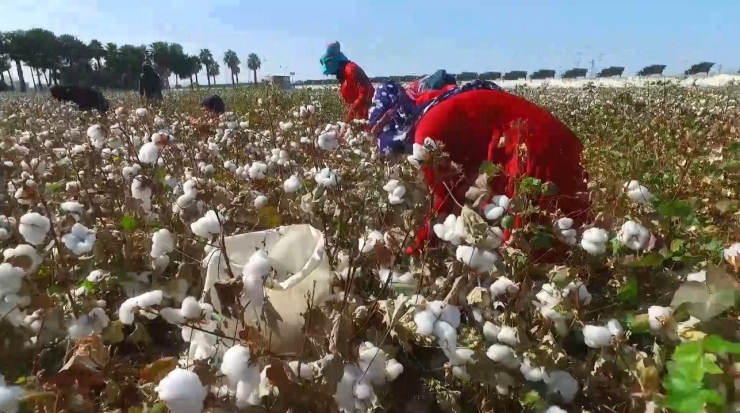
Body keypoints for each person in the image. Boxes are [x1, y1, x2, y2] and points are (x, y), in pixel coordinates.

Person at [368, 80, 591, 256]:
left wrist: (415, 251)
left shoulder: (427, 133)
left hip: (534, 149)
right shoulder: (435, 109)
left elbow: (441, 203)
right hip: (544, 142)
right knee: (568, 228)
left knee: (535, 243)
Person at [320, 42, 374, 124]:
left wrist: (350, 117)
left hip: (366, 120)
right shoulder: (343, 75)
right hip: (357, 120)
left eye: (330, 72)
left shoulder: (351, 70)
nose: (330, 74)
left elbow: (365, 92)